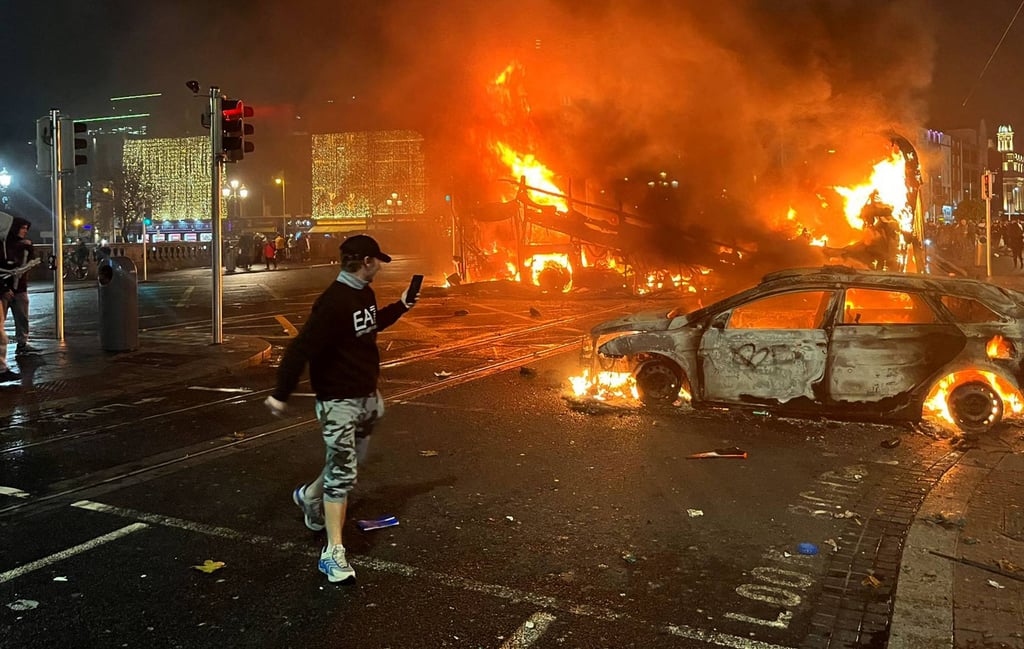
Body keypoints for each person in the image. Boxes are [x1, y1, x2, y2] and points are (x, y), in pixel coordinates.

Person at [263, 234, 418, 583]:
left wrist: (403, 305)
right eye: (377, 260)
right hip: (338, 400)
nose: (380, 265)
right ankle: (333, 553)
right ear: (365, 262)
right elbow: (300, 348)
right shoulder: (332, 303)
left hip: (365, 397)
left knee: (343, 462)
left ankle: (308, 496)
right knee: (344, 472)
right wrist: (281, 393)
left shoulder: (363, 293)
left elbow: (370, 324)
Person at [4, 216, 39, 357]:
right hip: (6, 288)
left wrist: (29, 248)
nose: (24, 231)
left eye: (26, 228)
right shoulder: (6, 245)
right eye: (22, 228)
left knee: (22, 317)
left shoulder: (25, 245)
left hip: (20, 288)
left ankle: (22, 343)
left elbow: (29, 261)